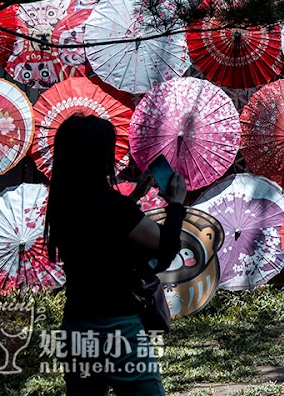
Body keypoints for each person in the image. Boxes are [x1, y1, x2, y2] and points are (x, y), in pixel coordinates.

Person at [45, 114, 187, 394]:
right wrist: (176, 204)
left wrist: (133, 198)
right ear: (101, 158)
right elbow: (165, 250)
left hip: (76, 329)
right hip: (117, 331)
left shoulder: (61, 203)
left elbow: (98, 232)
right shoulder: (112, 208)